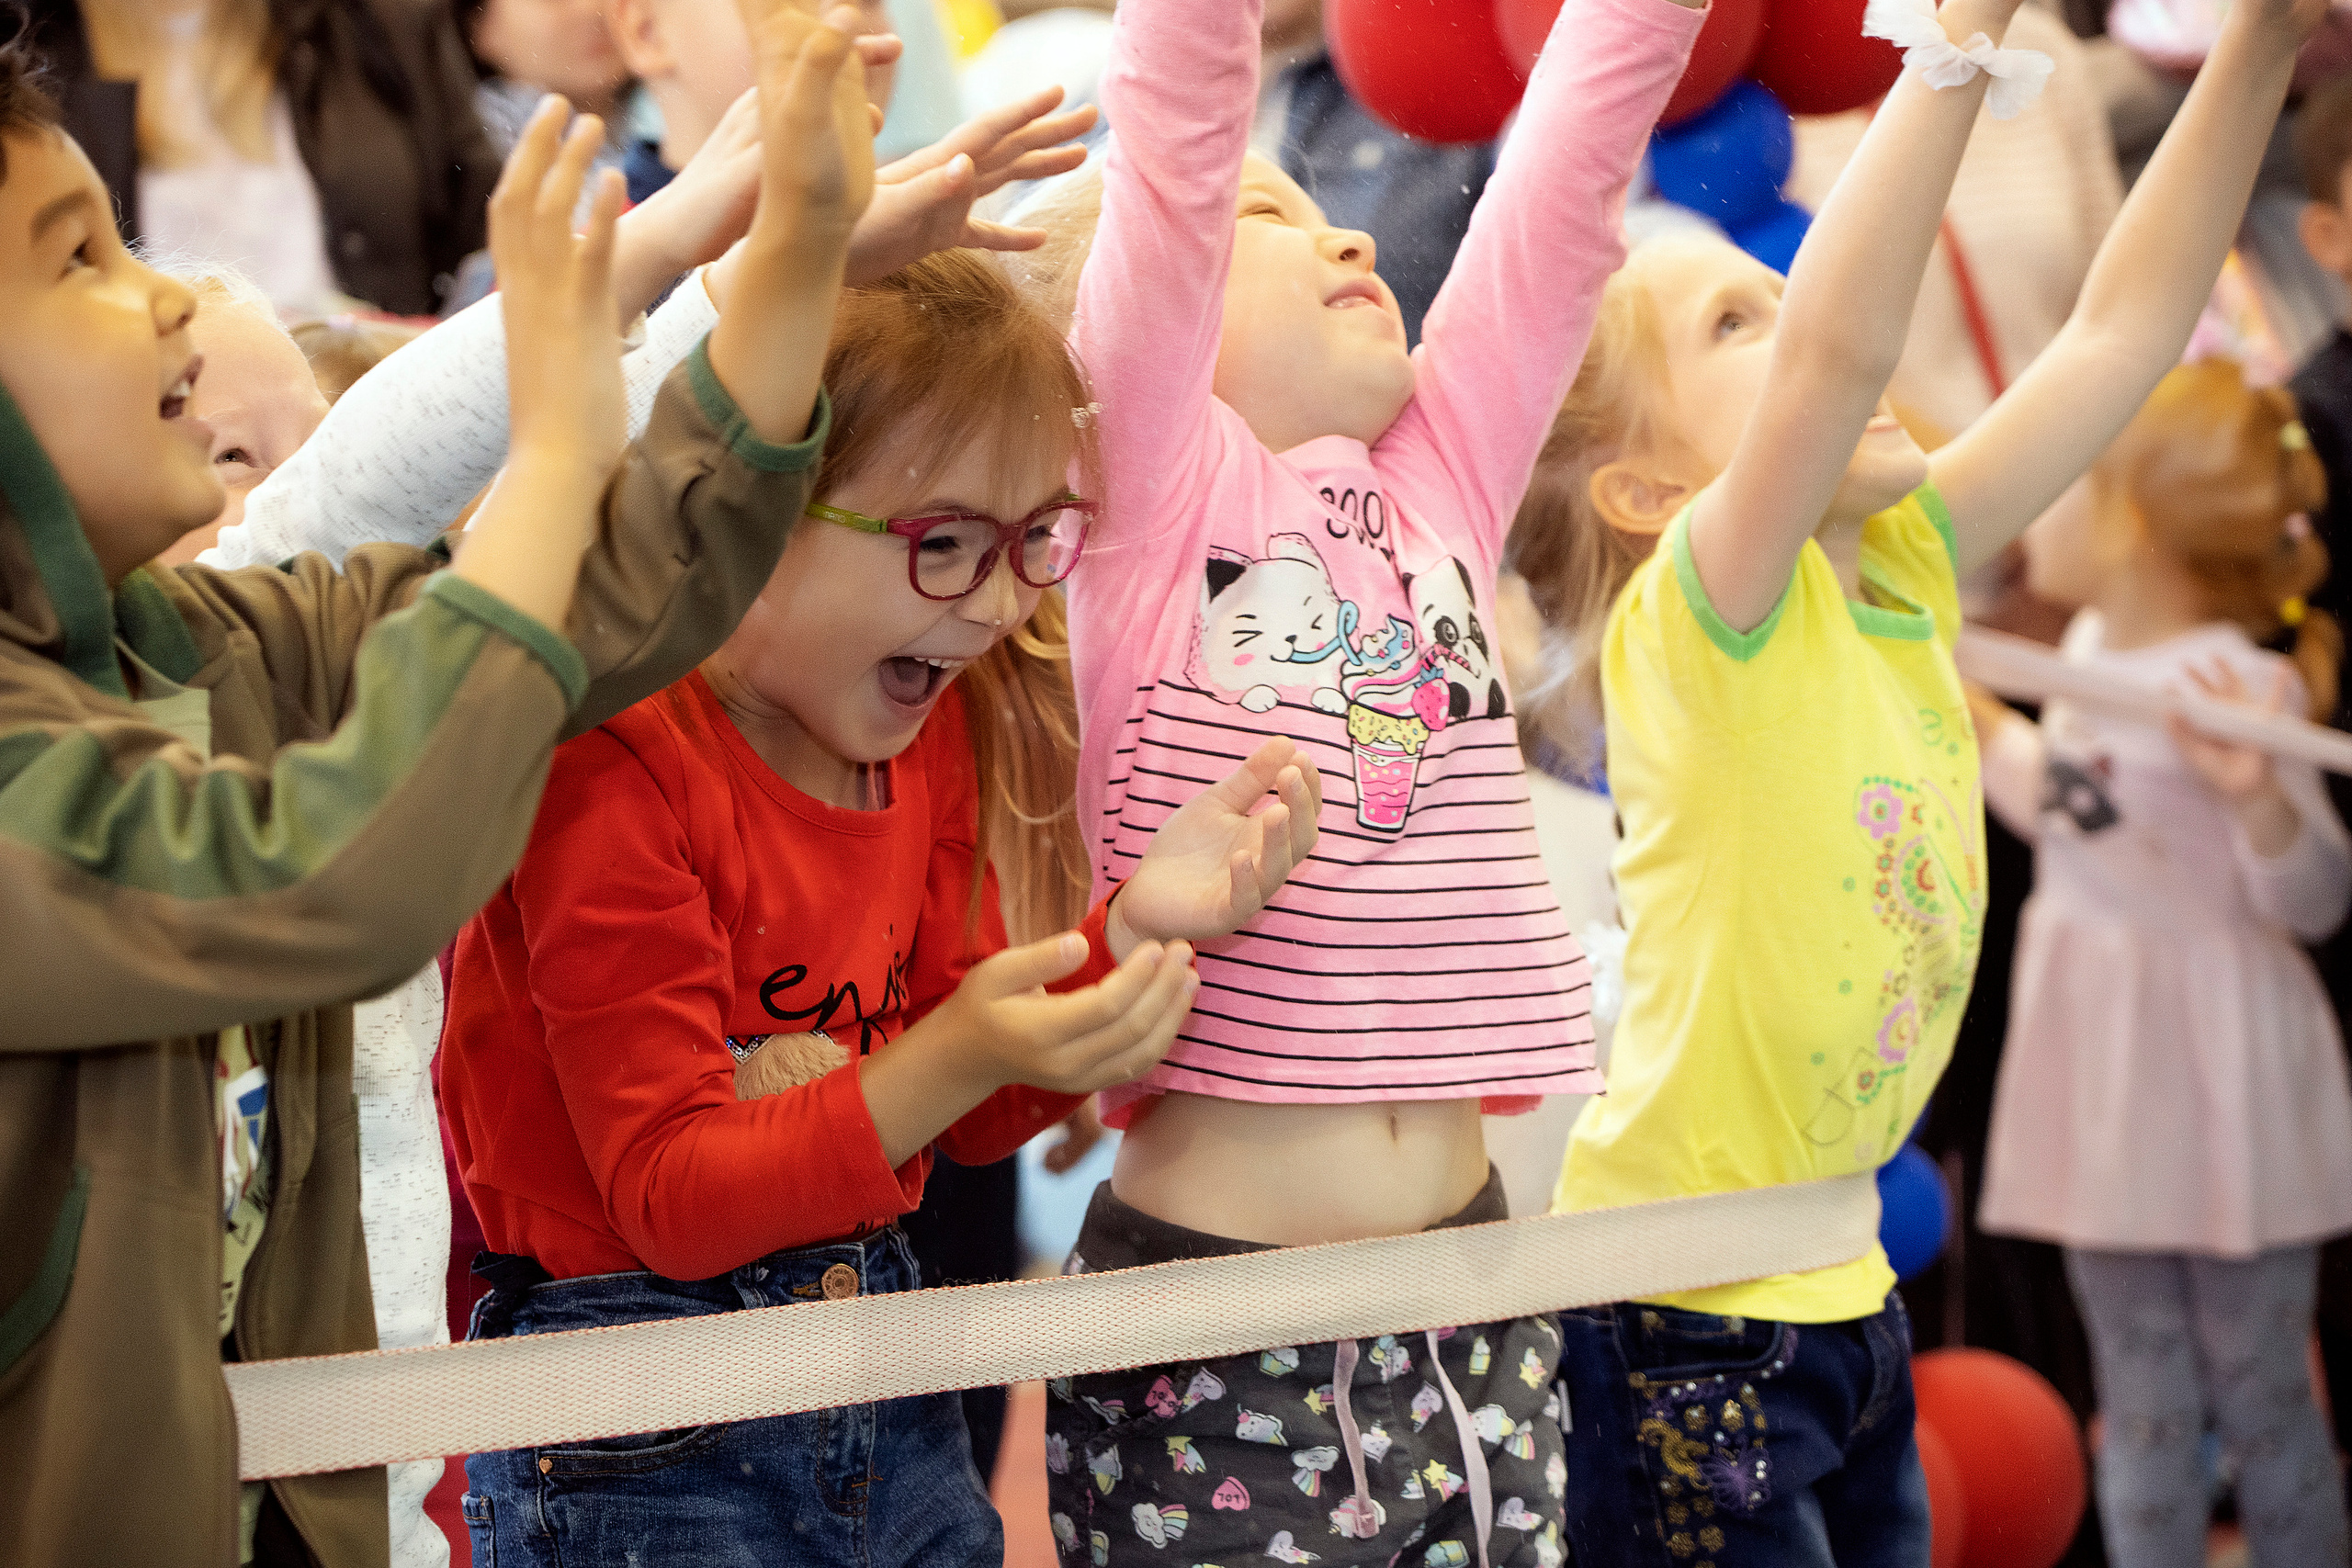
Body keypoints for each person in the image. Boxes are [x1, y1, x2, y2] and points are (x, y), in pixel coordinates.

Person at [442, 93, 1325, 1568]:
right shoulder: (613, 759)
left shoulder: (923, 732)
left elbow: (954, 1103)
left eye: (1034, 538)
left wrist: (1127, 937)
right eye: (944, 541)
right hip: (637, 1421)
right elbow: (671, 1195)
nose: (999, 599)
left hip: (882, 1368)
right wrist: (966, 1048)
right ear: (751, 515)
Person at [0, 0, 840, 1533]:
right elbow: (322, 876)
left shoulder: (169, 647)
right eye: (77, 261)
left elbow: (587, 614)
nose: (166, 293)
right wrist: (559, 442)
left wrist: (797, 261)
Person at [1519, 0, 2323, 1557]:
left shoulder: (1896, 563)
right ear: (1647, 490)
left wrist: (2263, 48)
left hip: (1835, 1282)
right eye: (1734, 324)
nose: (1809, 314)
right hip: (1682, 1307)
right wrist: (1952, 42)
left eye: (1781, 292)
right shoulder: (1703, 614)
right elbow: (1839, 351)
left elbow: (2119, 334)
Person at [1013, 0, 1706, 1558]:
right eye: (1271, 217)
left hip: (1478, 1297)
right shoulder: (1146, 489)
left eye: (1332, 213)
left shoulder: (1441, 483)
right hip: (1222, 1322)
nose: (1351, 236)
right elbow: (1179, 137)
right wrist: (1200, 167)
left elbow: (1568, 179)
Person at [1970, 358, 2352, 1567]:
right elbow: (2071, 809)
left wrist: (2258, 800)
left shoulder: (2244, 687)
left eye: (2064, 480)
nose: (2036, 510)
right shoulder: (2082, 645)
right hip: (2106, 1076)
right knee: (2135, 1399)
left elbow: (2316, 897)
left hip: (2230, 1080)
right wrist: (1977, 718)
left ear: (2127, 519)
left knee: (2265, 1388)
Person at [24, 0, 499, 315]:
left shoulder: (376, 23)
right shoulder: (30, 58)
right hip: (166, 408)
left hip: (381, 385)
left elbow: (485, 228)